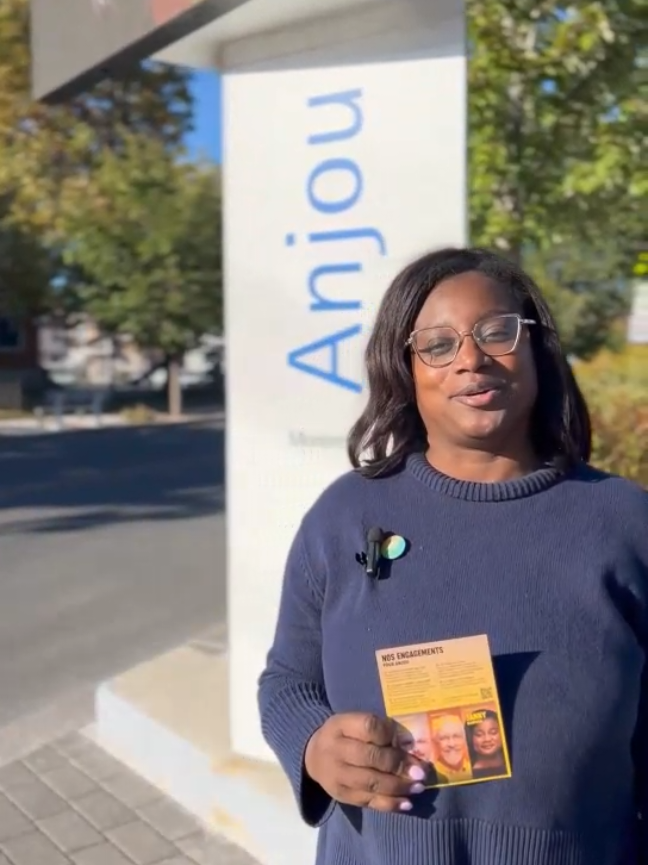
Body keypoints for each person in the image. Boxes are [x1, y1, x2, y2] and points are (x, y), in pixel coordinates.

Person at [257, 247, 648, 865]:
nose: (470, 359)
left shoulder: (626, 520)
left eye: (496, 332)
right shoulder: (344, 516)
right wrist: (311, 746)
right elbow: (288, 680)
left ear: (537, 349)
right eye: (437, 344)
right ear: (405, 368)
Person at [464, 709, 507, 779]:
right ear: (470, 737)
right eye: (479, 734)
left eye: (493, 732)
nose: (487, 739)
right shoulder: (466, 774)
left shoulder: (515, 762)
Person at [430, 713, 472, 784]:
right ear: (436, 743)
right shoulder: (431, 775)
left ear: (464, 740)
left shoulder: (475, 769)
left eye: (456, 736)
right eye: (444, 738)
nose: (452, 744)